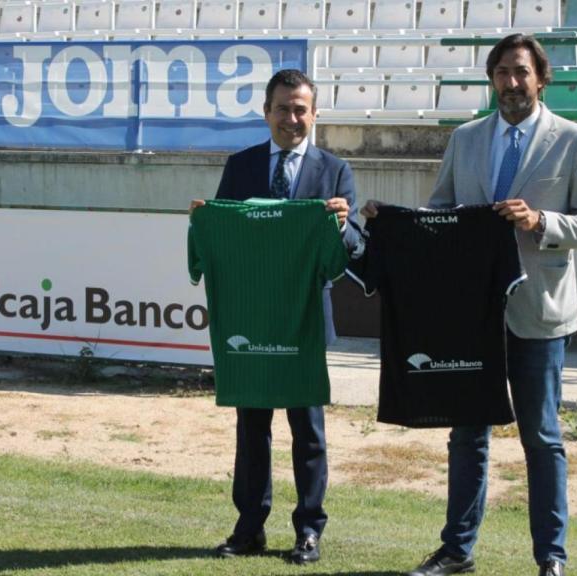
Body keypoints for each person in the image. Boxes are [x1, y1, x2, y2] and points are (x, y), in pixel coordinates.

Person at [363, 34, 577, 576]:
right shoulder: (467, 139)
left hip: (539, 313)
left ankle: (551, 557)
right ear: (491, 79)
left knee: (541, 437)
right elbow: (441, 214)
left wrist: (540, 221)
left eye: (521, 72)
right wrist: (395, 222)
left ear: (541, 79)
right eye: (501, 71)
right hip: (469, 317)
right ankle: (457, 551)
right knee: (467, 435)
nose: (511, 82)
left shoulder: (574, 140)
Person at [191, 68, 360, 565]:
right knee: (252, 425)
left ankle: (309, 529)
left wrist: (344, 225)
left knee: (307, 429)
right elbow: (227, 235)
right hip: (253, 318)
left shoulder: (335, 171)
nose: (292, 118)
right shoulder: (240, 165)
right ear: (266, 112)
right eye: (283, 108)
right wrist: (206, 219)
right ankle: (250, 527)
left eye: (301, 109)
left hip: (305, 319)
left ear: (314, 114)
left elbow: (353, 251)